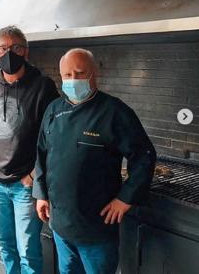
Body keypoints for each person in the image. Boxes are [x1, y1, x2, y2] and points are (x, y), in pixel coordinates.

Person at [33, 48, 156, 274]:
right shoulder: (53, 109)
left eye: (79, 73)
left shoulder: (115, 111)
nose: (73, 80)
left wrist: (125, 199)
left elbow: (144, 157)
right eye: (67, 75)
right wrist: (41, 194)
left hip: (97, 227)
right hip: (60, 223)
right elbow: (41, 153)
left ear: (93, 74)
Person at [0, 25, 59, 274]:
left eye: (16, 47)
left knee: (27, 247)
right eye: (3, 48)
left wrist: (33, 175)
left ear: (26, 51)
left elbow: (53, 136)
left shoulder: (43, 86)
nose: (9, 53)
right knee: (4, 243)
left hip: (25, 183)